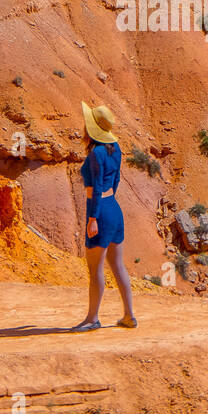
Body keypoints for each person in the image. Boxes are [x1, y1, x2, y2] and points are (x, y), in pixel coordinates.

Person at [73, 103, 136, 331]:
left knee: (95, 269)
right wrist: (109, 205)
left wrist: (93, 219)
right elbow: (115, 180)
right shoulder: (115, 148)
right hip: (114, 209)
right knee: (117, 265)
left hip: (99, 210)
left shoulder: (96, 153)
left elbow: (96, 188)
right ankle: (129, 316)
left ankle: (92, 319)